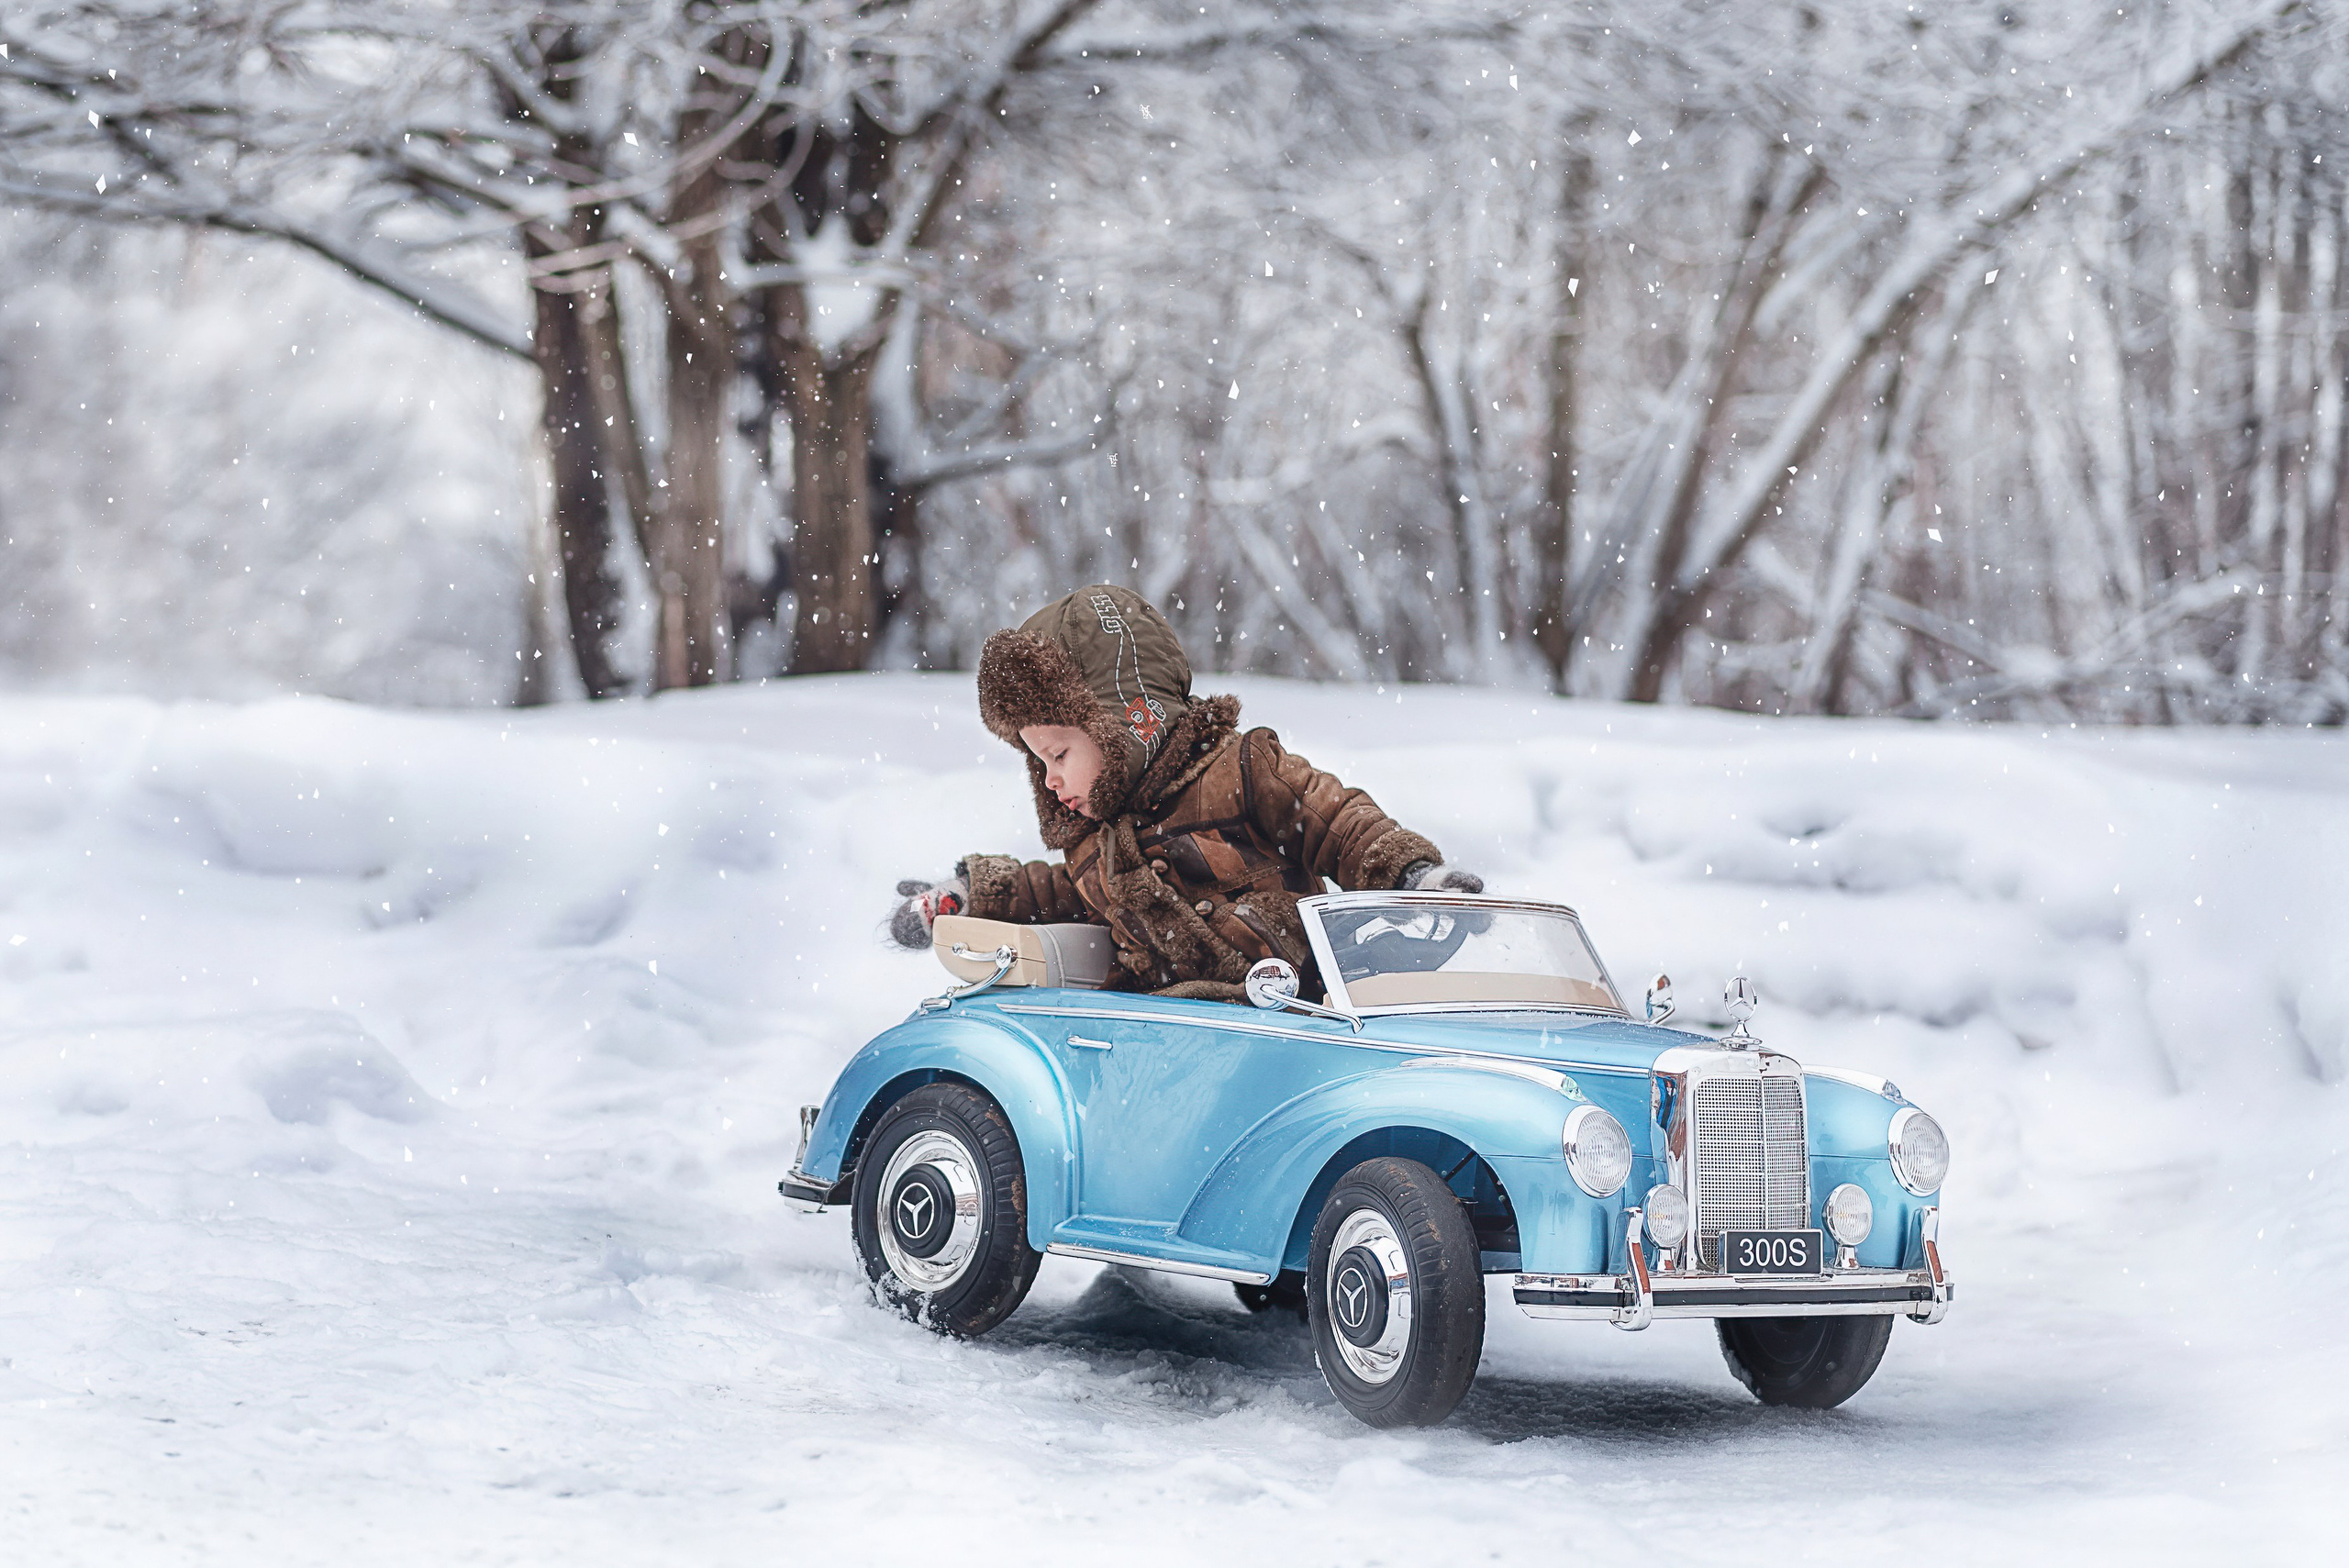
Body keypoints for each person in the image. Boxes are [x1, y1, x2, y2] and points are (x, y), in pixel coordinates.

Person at [890, 584, 1482, 999]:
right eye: (1038, 762)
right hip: (1163, 1038)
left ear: (1124, 725)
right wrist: (969, 894)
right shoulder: (1097, 848)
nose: (1049, 779)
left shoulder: (1240, 773)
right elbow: (1052, 893)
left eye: (1060, 754)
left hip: (1283, 1016)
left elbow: (1337, 823)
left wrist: (1413, 877)